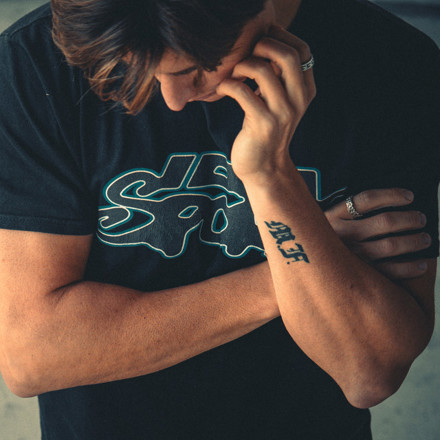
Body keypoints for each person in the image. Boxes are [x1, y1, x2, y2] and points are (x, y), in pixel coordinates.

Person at [0, 0, 438, 438]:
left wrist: (270, 176)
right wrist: (304, 263)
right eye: (137, 69)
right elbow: (30, 357)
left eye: (197, 69)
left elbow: (368, 373)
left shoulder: (393, 64)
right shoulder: (35, 61)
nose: (173, 99)